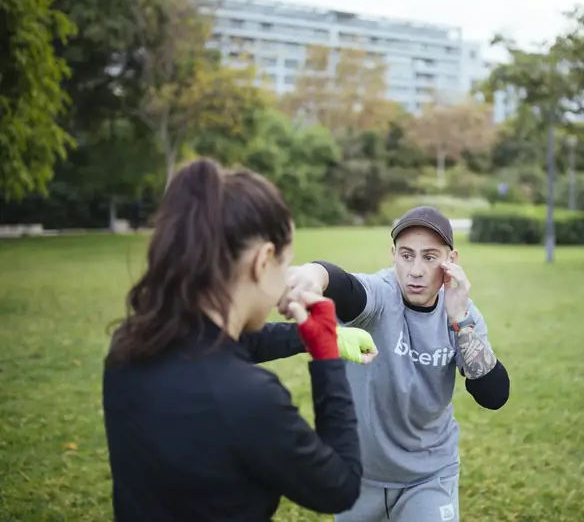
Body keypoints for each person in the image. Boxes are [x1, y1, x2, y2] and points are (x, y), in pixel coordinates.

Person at [102, 158, 378, 522]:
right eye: (286, 265)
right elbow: (339, 486)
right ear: (263, 261)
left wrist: (306, 336)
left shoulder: (130, 347)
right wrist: (326, 360)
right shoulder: (248, 398)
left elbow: (223, 345)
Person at [280, 206, 511, 522]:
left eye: (429, 257)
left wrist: (460, 320)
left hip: (429, 475)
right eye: (406, 255)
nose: (415, 270)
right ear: (393, 255)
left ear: (451, 260)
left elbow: (494, 395)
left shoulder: (462, 314)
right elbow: (347, 287)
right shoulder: (381, 294)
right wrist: (315, 274)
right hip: (360, 475)